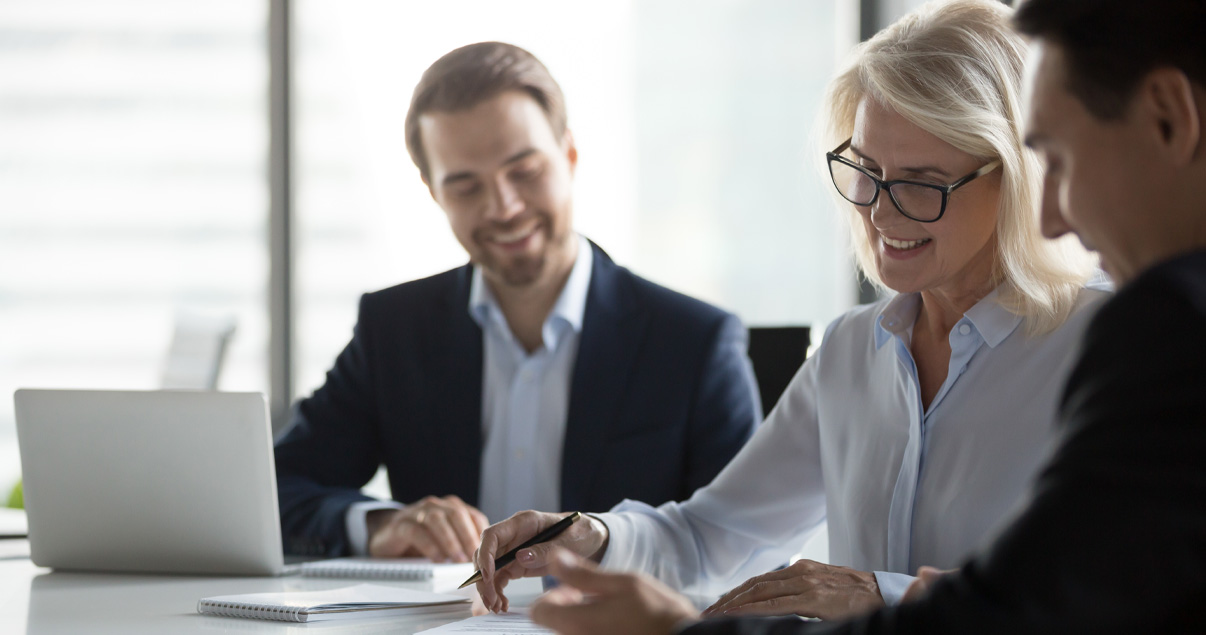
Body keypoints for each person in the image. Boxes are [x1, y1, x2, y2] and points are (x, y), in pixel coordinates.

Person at [499, 0, 1206, 632]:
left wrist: (879, 592)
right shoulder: (850, 348)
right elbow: (715, 531)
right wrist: (590, 534)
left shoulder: (1109, 345)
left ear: (1015, 181)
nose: (880, 211)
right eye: (865, 170)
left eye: (922, 185)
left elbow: (1083, 599)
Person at [273, 42, 762, 562]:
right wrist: (379, 525)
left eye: (524, 171)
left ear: (569, 155)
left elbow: (751, 547)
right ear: (433, 192)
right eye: (465, 187)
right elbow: (277, 490)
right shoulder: (393, 330)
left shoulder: (692, 342)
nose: (503, 207)